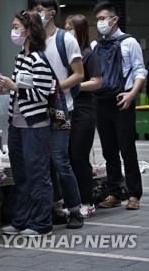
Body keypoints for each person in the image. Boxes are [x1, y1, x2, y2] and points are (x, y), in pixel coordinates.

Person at [0, 10, 54, 237]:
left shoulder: (38, 58)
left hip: (35, 125)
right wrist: (10, 87)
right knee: (20, 175)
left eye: (16, 27)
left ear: (29, 30)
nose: (13, 31)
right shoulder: (21, 56)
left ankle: (42, 222)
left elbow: (42, 94)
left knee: (37, 174)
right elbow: (22, 89)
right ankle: (22, 220)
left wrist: (14, 87)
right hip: (18, 124)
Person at [31, 0, 84, 229]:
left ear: (52, 12)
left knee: (61, 160)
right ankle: (56, 206)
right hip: (36, 108)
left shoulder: (66, 39)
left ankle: (75, 211)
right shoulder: (32, 40)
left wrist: (56, 88)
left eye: (41, 9)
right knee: (46, 163)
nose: (37, 13)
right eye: (35, 9)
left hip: (61, 109)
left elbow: (79, 74)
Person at [92, 1, 147, 210]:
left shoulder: (129, 42)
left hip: (122, 100)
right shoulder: (95, 45)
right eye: (97, 20)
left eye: (102, 19)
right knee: (109, 150)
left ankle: (134, 194)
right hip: (101, 101)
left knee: (127, 148)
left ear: (114, 19)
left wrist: (132, 94)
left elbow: (140, 71)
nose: (99, 23)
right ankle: (114, 192)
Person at [64, 14, 102, 217]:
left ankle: (87, 201)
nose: (67, 31)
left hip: (84, 113)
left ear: (80, 30)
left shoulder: (88, 54)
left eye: (71, 28)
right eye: (65, 27)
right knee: (68, 158)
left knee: (79, 157)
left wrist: (74, 85)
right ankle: (73, 201)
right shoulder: (67, 54)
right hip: (67, 112)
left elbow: (97, 82)